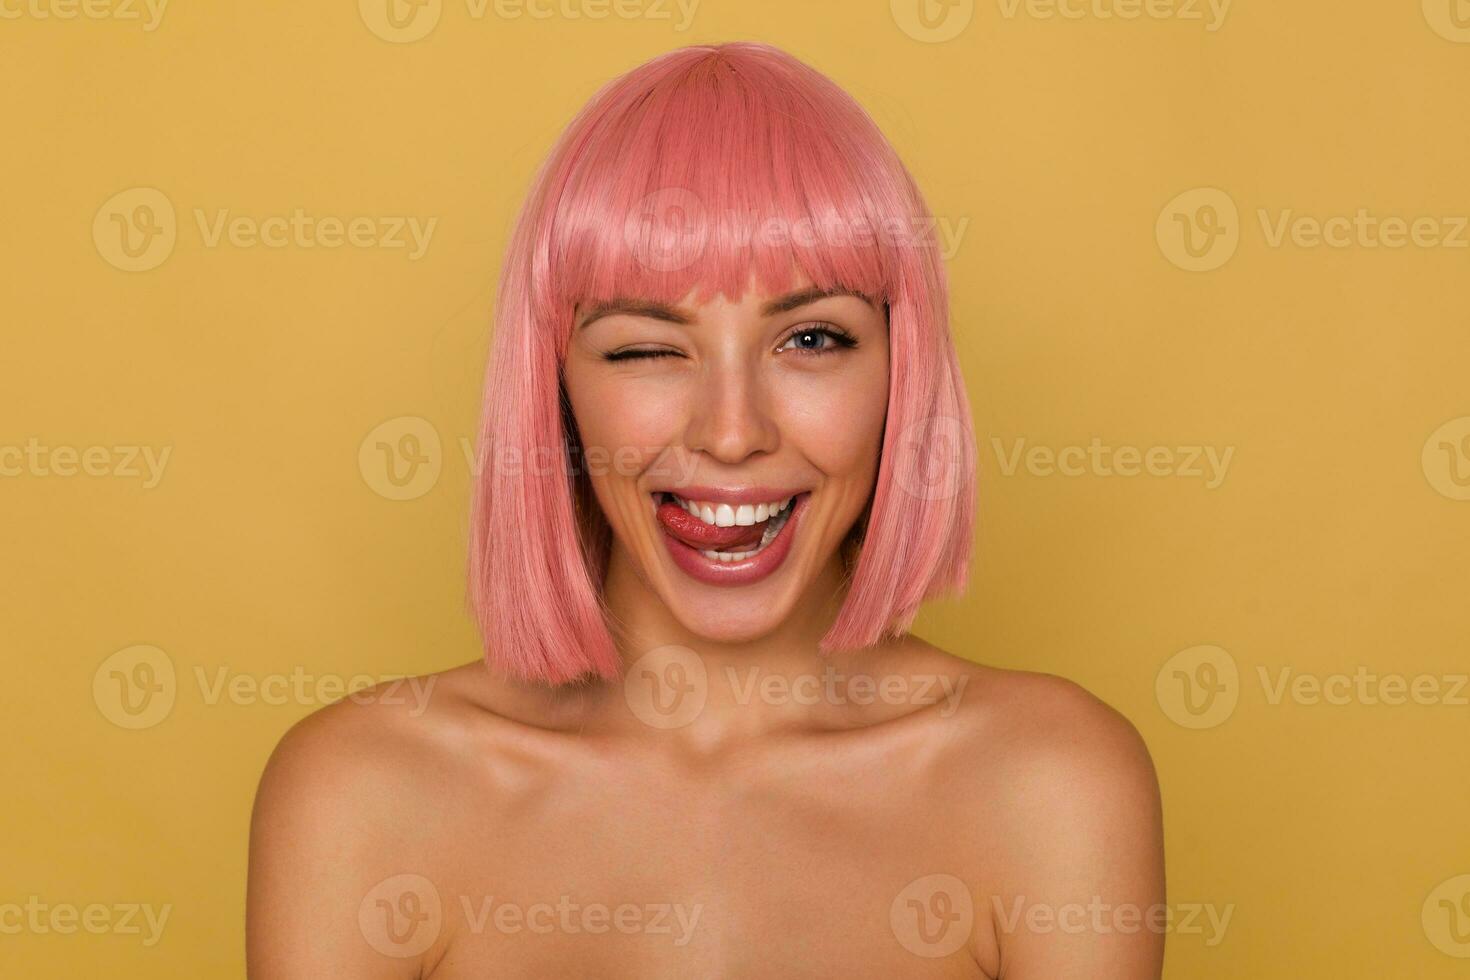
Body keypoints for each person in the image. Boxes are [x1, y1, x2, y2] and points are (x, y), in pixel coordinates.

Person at [247, 41, 1164, 979]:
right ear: (554, 388)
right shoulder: (362, 798)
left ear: (903, 371)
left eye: (811, 338)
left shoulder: (1050, 786)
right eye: (647, 349)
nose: (732, 434)